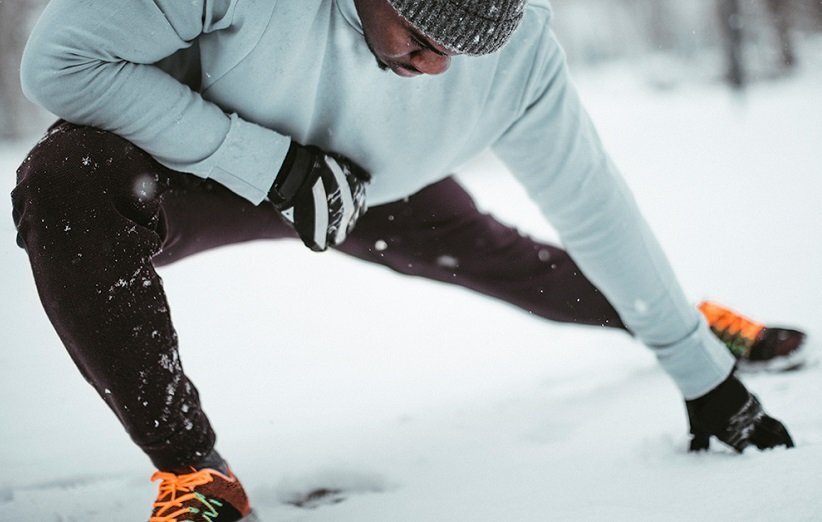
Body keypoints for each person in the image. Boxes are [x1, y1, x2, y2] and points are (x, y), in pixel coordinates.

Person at [12, 0, 804, 520]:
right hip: (206, 165)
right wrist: (273, 168)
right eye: (423, 40)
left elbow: (594, 205)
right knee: (65, 186)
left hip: (379, 188)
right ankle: (196, 475)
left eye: (463, 52)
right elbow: (59, 63)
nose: (437, 70)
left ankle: (691, 329)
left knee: (508, 261)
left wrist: (697, 373)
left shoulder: (522, 55)